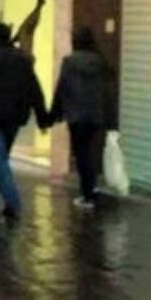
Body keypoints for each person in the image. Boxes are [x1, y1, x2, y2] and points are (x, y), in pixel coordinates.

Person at [0, 22, 49, 218]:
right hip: (14, 118)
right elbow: (34, 89)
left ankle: (12, 202)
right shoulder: (22, 59)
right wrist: (41, 117)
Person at [50, 27, 113, 211]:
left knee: (81, 154)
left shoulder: (70, 62)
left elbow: (62, 88)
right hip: (95, 115)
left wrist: (54, 113)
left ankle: (88, 194)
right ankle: (91, 188)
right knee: (89, 152)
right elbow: (107, 90)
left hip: (76, 116)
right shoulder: (100, 62)